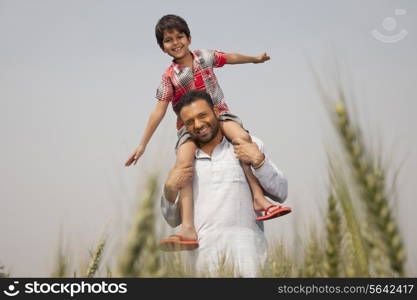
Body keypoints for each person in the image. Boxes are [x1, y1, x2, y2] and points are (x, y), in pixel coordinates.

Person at [125, 14, 291, 248]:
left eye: (179, 37)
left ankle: (259, 198)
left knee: (242, 139)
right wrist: (142, 144)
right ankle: (188, 227)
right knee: (183, 164)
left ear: (189, 38)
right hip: (188, 127)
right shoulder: (168, 78)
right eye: (168, 40)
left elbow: (230, 57)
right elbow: (158, 111)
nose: (175, 43)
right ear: (163, 48)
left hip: (219, 114)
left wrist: (254, 59)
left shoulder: (204, 57)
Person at [160, 90, 289, 277]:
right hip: (204, 267)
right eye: (189, 122)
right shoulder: (184, 162)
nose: (198, 124)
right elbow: (172, 220)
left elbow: (281, 191)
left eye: (202, 115)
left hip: (250, 265)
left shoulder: (249, 146)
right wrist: (169, 189)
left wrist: (260, 162)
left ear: (215, 111)